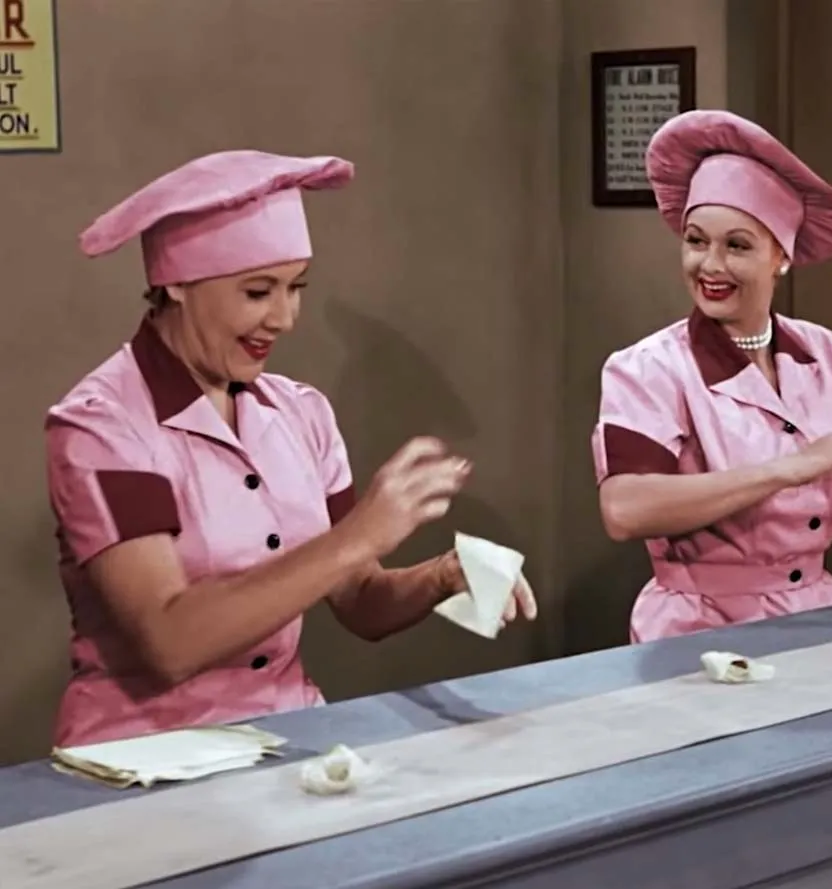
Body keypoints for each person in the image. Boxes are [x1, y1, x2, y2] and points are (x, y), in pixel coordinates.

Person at [46, 150, 537, 747]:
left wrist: (440, 576)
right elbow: (169, 642)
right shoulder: (105, 428)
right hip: (143, 756)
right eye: (258, 292)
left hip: (285, 736)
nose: (284, 318)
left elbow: (360, 600)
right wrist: (359, 534)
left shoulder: (302, 413)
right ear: (175, 285)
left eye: (296, 287)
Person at [591, 110, 832, 643]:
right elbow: (624, 509)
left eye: (737, 245)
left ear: (782, 256)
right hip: (697, 632)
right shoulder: (649, 368)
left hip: (818, 619)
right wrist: (794, 467)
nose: (710, 266)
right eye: (695, 241)